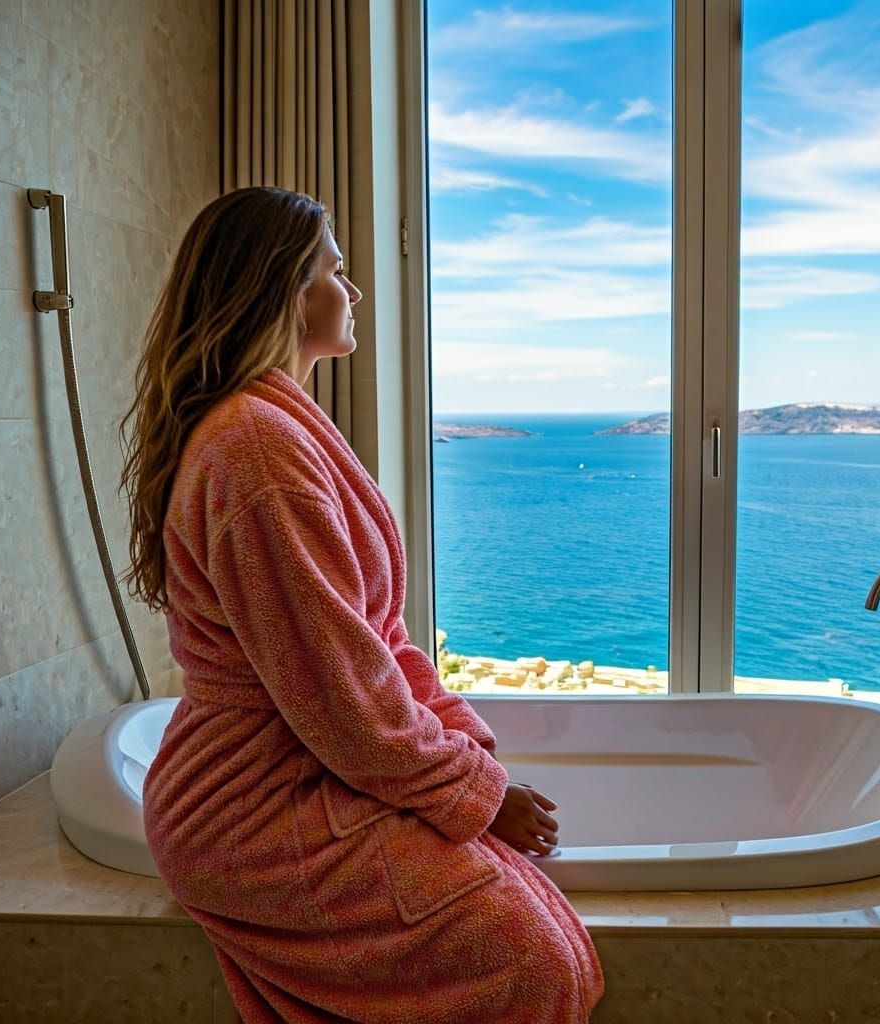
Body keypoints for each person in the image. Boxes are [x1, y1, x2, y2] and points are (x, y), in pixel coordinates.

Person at [117, 186, 605, 1023]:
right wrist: (478, 792)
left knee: (541, 928)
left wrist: (463, 754)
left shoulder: (278, 428)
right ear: (286, 288)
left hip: (308, 769)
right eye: (336, 271)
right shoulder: (256, 451)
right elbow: (341, 693)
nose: (355, 291)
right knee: (527, 958)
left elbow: (375, 641)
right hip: (251, 810)